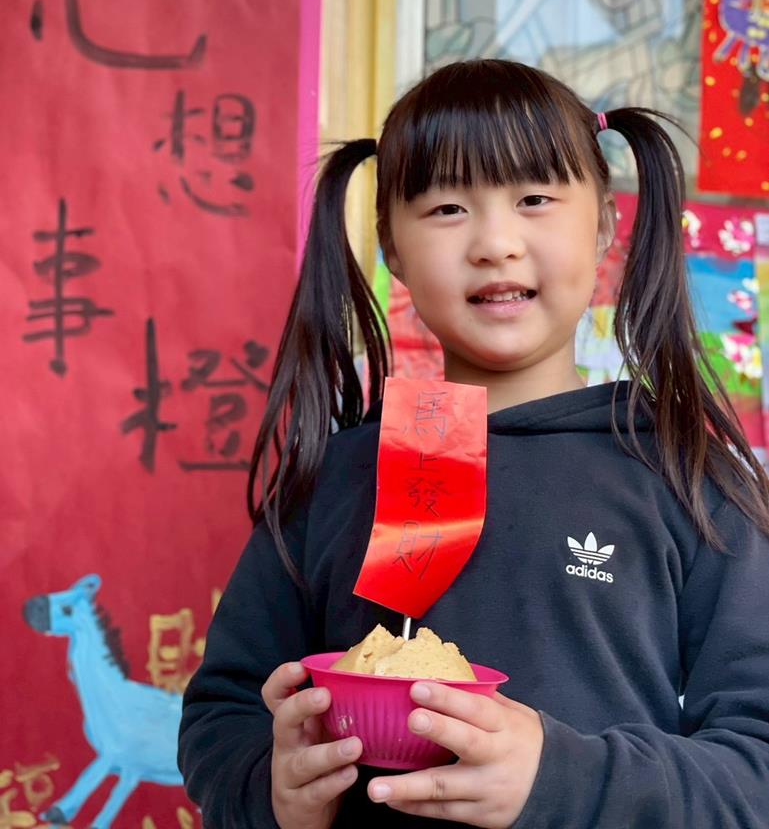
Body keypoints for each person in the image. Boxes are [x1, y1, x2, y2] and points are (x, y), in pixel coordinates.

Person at [178, 59, 769, 828]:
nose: (494, 242)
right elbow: (221, 717)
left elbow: (755, 764)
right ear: (391, 247)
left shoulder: (690, 479)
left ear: (603, 226)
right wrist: (274, 789)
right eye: (447, 208)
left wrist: (560, 777)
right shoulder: (332, 479)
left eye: (533, 199)